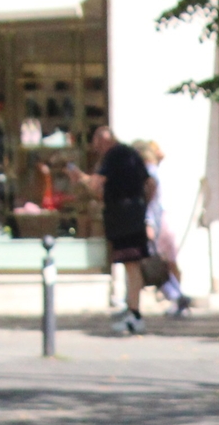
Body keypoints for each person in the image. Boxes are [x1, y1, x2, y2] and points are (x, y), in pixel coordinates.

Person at [69, 124, 152, 334]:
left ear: (103, 141)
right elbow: (151, 184)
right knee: (131, 265)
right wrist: (143, 207)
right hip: (134, 213)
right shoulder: (132, 154)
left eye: (97, 144)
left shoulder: (112, 156)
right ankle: (133, 309)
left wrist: (80, 178)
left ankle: (135, 314)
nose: (96, 148)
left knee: (130, 265)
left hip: (121, 216)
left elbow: (96, 187)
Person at [136, 139, 191, 316]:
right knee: (163, 263)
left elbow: (151, 203)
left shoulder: (149, 173)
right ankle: (177, 296)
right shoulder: (154, 170)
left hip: (158, 223)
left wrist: (148, 223)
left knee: (156, 265)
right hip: (162, 220)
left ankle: (176, 295)